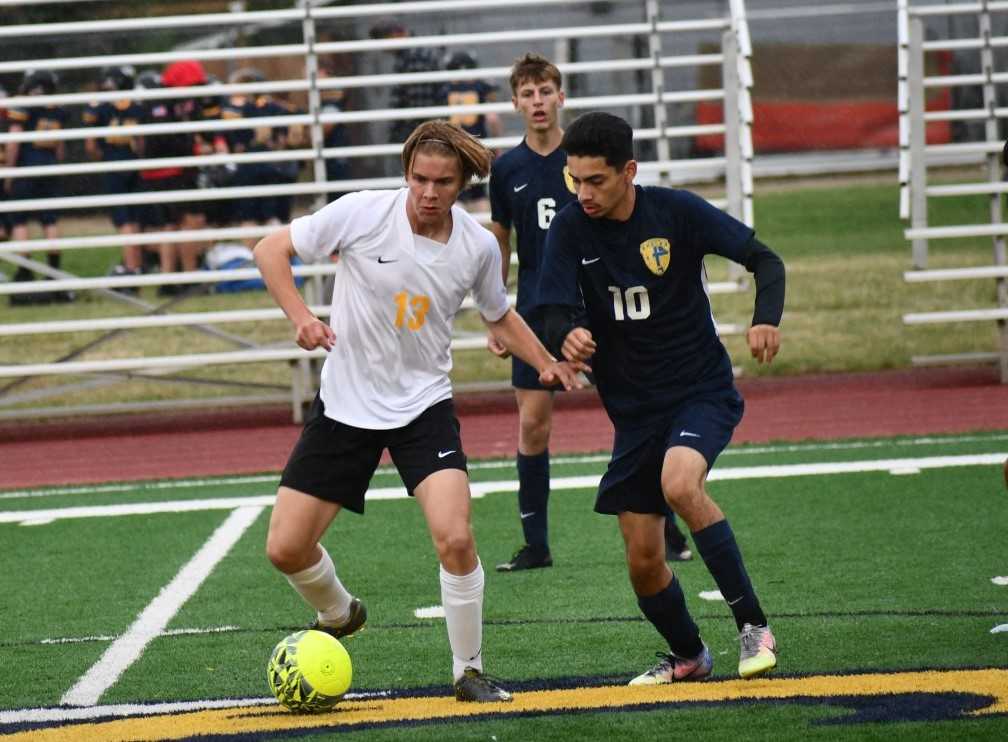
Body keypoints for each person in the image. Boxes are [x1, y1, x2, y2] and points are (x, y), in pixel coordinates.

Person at [252, 119, 586, 703]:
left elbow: (498, 313)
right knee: (285, 549)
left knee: (456, 537)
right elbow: (269, 249)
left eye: (443, 182)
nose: (429, 192)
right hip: (346, 403)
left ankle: (470, 672)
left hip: (423, 406)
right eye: (419, 179)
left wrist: (545, 362)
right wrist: (301, 317)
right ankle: (339, 613)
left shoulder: (477, 247)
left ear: (463, 184)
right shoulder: (361, 212)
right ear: (407, 173)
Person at [536, 111, 785, 683]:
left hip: (701, 391)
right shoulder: (571, 227)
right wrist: (564, 334)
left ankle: (754, 627)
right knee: (644, 559)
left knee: (680, 483)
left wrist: (764, 318)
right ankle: (690, 655)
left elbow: (765, 260)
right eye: (574, 181)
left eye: (595, 180)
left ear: (629, 171)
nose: (583, 193)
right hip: (634, 413)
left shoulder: (676, 212)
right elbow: (549, 308)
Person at [487, 54, 690, 572]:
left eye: (545, 91)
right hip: (536, 311)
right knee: (533, 424)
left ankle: (666, 525)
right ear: (515, 103)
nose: (537, 102)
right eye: (527, 94)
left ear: (561, 97)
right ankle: (536, 543)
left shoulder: (586, 159)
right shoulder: (506, 170)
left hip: (601, 308)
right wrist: (498, 313)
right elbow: (500, 242)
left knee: (636, 412)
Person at [5, 69, 72, 305]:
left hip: (28, 167)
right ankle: (53, 272)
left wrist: (9, 172)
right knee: (50, 221)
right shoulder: (57, 108)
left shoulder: (25, 105)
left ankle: (25, 271)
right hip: (50, 167)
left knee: (19, 220)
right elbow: (60, 146)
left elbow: (13, 141)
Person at [83, 65, 145, 284]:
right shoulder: (136, 105)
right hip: (133, 163)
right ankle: (137, 265)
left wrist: (104, 156)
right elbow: (141, 142)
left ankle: (130, 268)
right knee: (134, 218)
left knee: (124, 220)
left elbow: (90, 145)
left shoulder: (100, 106)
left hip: (113, 163)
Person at [369, 19, 445, 144]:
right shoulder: (410, 55)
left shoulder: (415, 56)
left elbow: (420, 107)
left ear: (397, 34)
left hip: (421, 136)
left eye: (383, 40)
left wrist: (411, 139)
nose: (382, 48)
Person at [444, 50, 502, 214]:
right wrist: (496, 145)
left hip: (452, 147)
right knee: (479, 195)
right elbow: (493, 119)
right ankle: (483, 234)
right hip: (477, 145)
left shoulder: (445, 88)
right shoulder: (480, 86)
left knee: (456, 194)